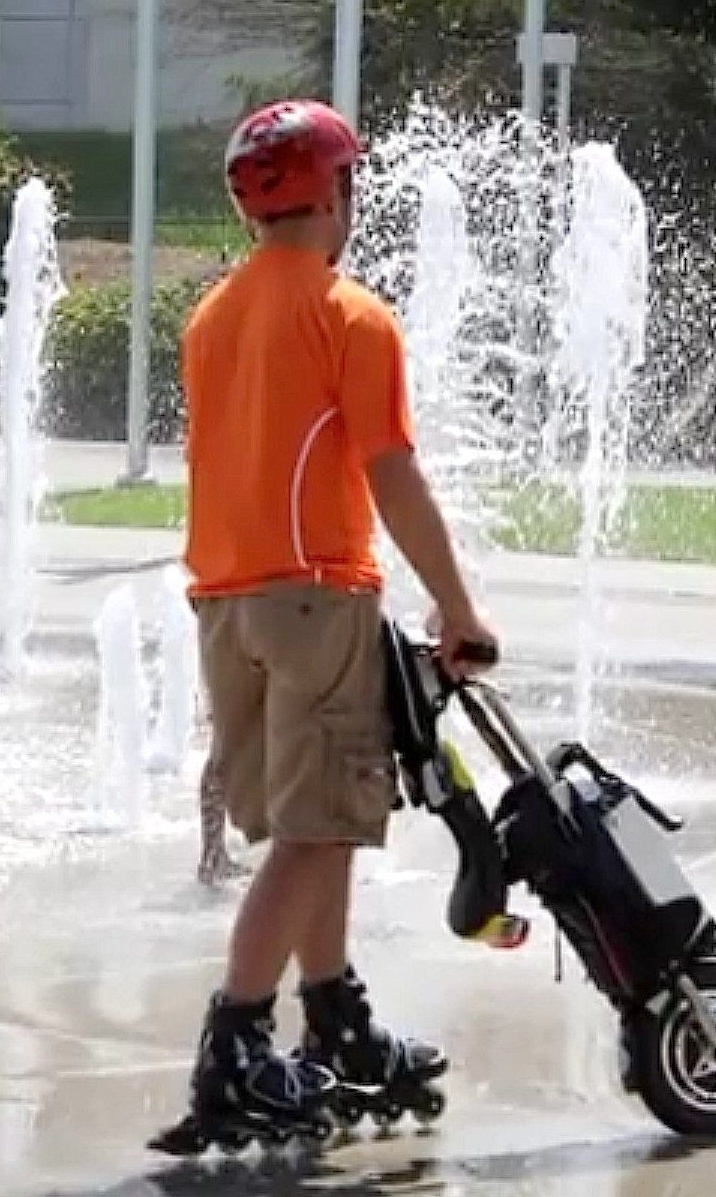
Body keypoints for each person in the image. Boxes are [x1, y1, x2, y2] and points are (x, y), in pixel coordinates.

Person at [153, 100, 500, 1152]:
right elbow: (388, 471)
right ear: (339, 193)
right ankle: (238, 1041)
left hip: (225, 603)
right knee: (315, 831)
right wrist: (455, 601)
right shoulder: (350, 315)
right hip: (314, 596)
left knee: (324, 821)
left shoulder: (210, 316)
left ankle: (334, 1015)